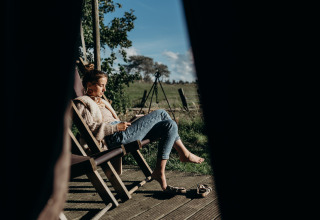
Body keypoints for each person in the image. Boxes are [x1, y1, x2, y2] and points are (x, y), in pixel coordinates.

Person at [73, 67, 204, 193]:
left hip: (122, 132)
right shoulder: (82, 102)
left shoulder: (100, 101)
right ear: (89, 85)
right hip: (114, 137)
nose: (104, 89)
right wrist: (115, 127)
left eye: (104, 85)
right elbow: (89, 129)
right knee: (162, 113)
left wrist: (134, 121)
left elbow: (115, 122)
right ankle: (184, 154)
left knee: (170, 125)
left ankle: (159, 170)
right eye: (101, 85)